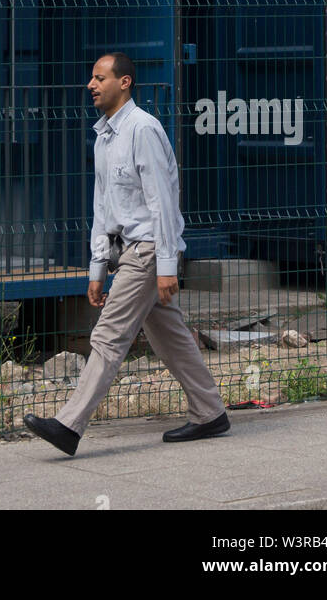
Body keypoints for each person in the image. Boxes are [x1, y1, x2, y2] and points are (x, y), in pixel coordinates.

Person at [24, 52, 229, 456]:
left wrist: (167, 265)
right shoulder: (105, 135)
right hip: (127, 252)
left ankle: (68, 425)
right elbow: (103, 206)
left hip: (150, 251)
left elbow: (163, 203)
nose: (91, 85)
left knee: (108, 335)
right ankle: (210, 412)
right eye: (92, 78)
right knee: (171, 339)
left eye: (100, 77)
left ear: (125, 82)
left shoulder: (143, 130)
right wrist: (97, 265)